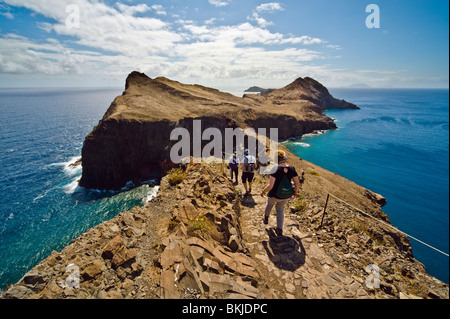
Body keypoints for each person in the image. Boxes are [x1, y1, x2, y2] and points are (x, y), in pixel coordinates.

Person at [260, 150, 300, 236]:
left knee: (269, 205)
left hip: (274, 194)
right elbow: (297, 183)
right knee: (280, 210)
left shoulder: (275, 169)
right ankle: (279, 229)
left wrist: (263, 191)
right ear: (284, 158)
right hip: (286, 195)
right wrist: (295, 193)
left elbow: (270, 186)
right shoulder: (292, 169)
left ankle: (266, 219)